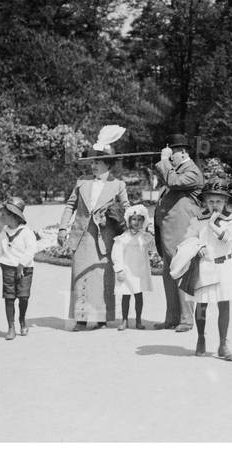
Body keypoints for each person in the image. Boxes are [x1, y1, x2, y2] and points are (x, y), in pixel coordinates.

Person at [58, 125, 130, 330]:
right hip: (82, 236)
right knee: (80, 275)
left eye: (97, 161)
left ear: (108, 164)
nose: (93, 165)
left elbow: (128, 209)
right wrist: (63, 228)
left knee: (101, 277)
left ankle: (100, 318)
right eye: (92, 161)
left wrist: (116, 216)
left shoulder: (118, 185)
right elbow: (70, 206)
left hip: (104, 237)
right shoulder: (82, 182)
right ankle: (81, 319)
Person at [177, 178, 232, 361]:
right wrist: (198, 247)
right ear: (204, 201)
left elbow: (226, 238)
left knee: (224, 304)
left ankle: (222, 344)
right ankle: (200, 338)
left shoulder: (231, 220)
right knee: (202, 304)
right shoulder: (197, 220)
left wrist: (213, 224)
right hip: (205, 266)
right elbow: (187, 240)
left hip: (224, 267)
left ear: (226, 202)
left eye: (219, 201)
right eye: (211, 201)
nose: (215, 205)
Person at [152, 133, 203, 332]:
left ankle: (186, 319)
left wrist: (164, 160)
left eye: (172, 152)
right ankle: (172, 317)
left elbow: (173, 183)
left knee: (182, 270)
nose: (170, 156)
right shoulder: (176, 169)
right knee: (169, 273)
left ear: (183, 152)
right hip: (169, 231)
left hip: (182, 231)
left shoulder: (191, 171)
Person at [0, 196, 38, 341]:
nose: (2, 217)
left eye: (4, 214)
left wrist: (21, 264)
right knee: (9, 298)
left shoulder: (26, 232)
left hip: (24, 269)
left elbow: (31, 249)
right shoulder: (4, 232)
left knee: (23, 296)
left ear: (13, 216)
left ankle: (22, 319)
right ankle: (11, 327)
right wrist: (0, 261)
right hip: (8, 268)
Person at [112, 203, 156, 330]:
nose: (136, 222)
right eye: (134, 219)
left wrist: (150, 233)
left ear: (143, 221)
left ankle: (138, 320)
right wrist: (119, 269)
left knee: (138, 295)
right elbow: (117, 254)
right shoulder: (123, 238)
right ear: (129, 220)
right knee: (126, 295)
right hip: (127, 269)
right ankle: (124, 320)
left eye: (139, 220)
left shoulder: (144, 237)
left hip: (139, 271)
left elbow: (152, 248)